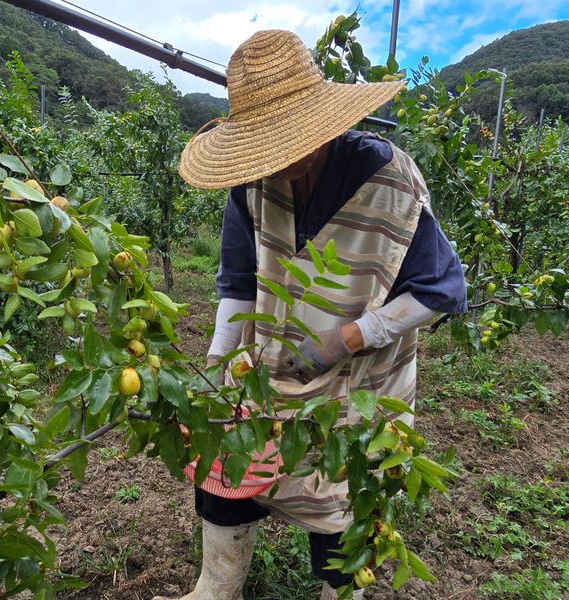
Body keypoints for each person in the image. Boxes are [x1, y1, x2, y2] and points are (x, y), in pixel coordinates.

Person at [152, 30, 468, 600]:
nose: (276, 161)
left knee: (342, 492)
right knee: (231, 465)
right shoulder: (251, 183)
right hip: (271, 366)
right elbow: (240, 285)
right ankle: (217, 585)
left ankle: (339, 591)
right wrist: (218, 367)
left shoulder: (389, 180)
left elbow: (440, 289)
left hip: (361, 380)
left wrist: (347, 338)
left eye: (284, 143)